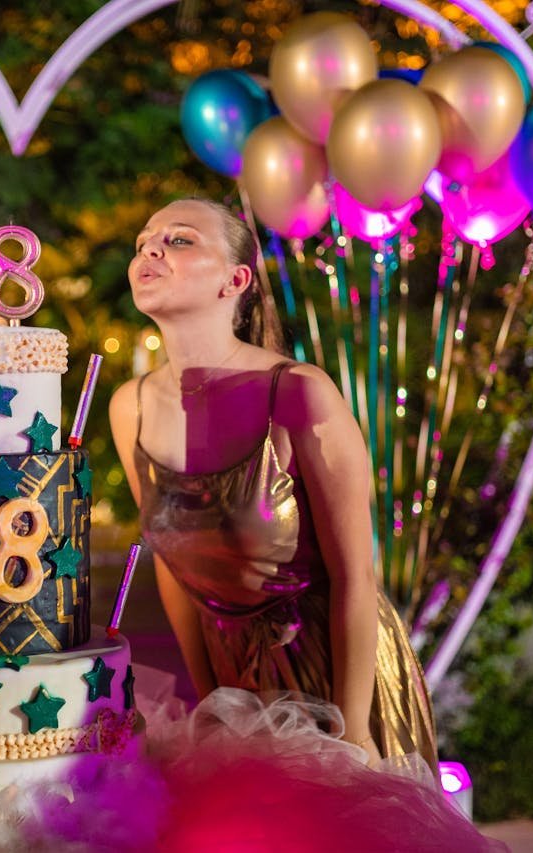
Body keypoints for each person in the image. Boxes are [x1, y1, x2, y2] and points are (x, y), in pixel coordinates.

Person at [109, 197, 437, 770]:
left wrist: (352, 735)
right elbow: (172, 565)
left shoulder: (298, 392)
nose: (151, 249)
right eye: (143, 242)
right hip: (232, 676)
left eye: (180, 239)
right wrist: (215, 701)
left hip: (333, 670)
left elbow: (355, 578)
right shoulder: (128, 407)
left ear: (235, 280)